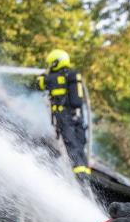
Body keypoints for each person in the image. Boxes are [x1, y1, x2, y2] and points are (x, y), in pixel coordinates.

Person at [35, 49, 89, 179]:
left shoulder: (53, 78)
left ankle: (78, 174)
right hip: (78, 116)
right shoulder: (73, 75)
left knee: (70, 144)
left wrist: (44, 74)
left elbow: (39, 84)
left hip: (64, 116)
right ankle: (84, 172)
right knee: (80, 144)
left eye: (51, 64)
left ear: (56, 63)